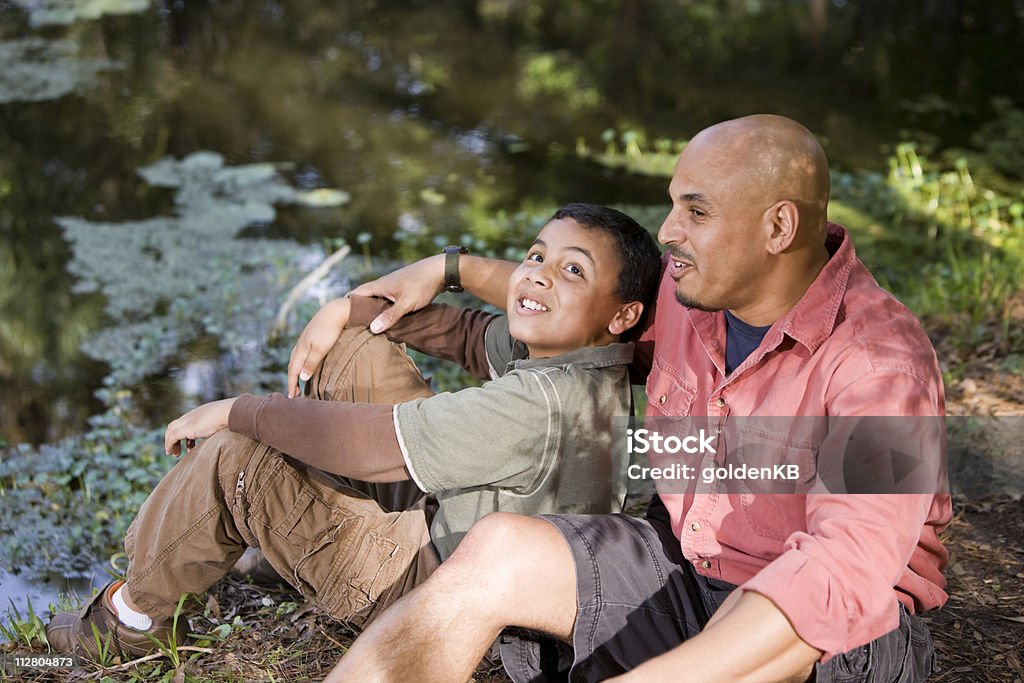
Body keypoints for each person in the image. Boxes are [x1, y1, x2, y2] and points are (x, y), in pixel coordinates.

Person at [318, 115, 952, 683]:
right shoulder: (691, 299)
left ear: (778, 226)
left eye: (696, 212)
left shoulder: (885, 368)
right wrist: (447, 268)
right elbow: (579, 305)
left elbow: (842, 573)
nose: (668, 232)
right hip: (685, 570)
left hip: (830, 638)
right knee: (498, 546)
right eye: (672, 205)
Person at [45, 203, 662, 658]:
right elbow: (472, 337)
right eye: (535, 256)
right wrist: (350, 309)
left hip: (430, 591)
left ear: (623, 314)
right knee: (357, 343)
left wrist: (239, 410)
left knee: (239, 458)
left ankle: (129, 624)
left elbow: (374, 444)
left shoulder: (541, 404)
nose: (537, 276)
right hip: (456, 527)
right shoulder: (582, 359)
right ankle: (295, 530)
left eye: (572, 271)